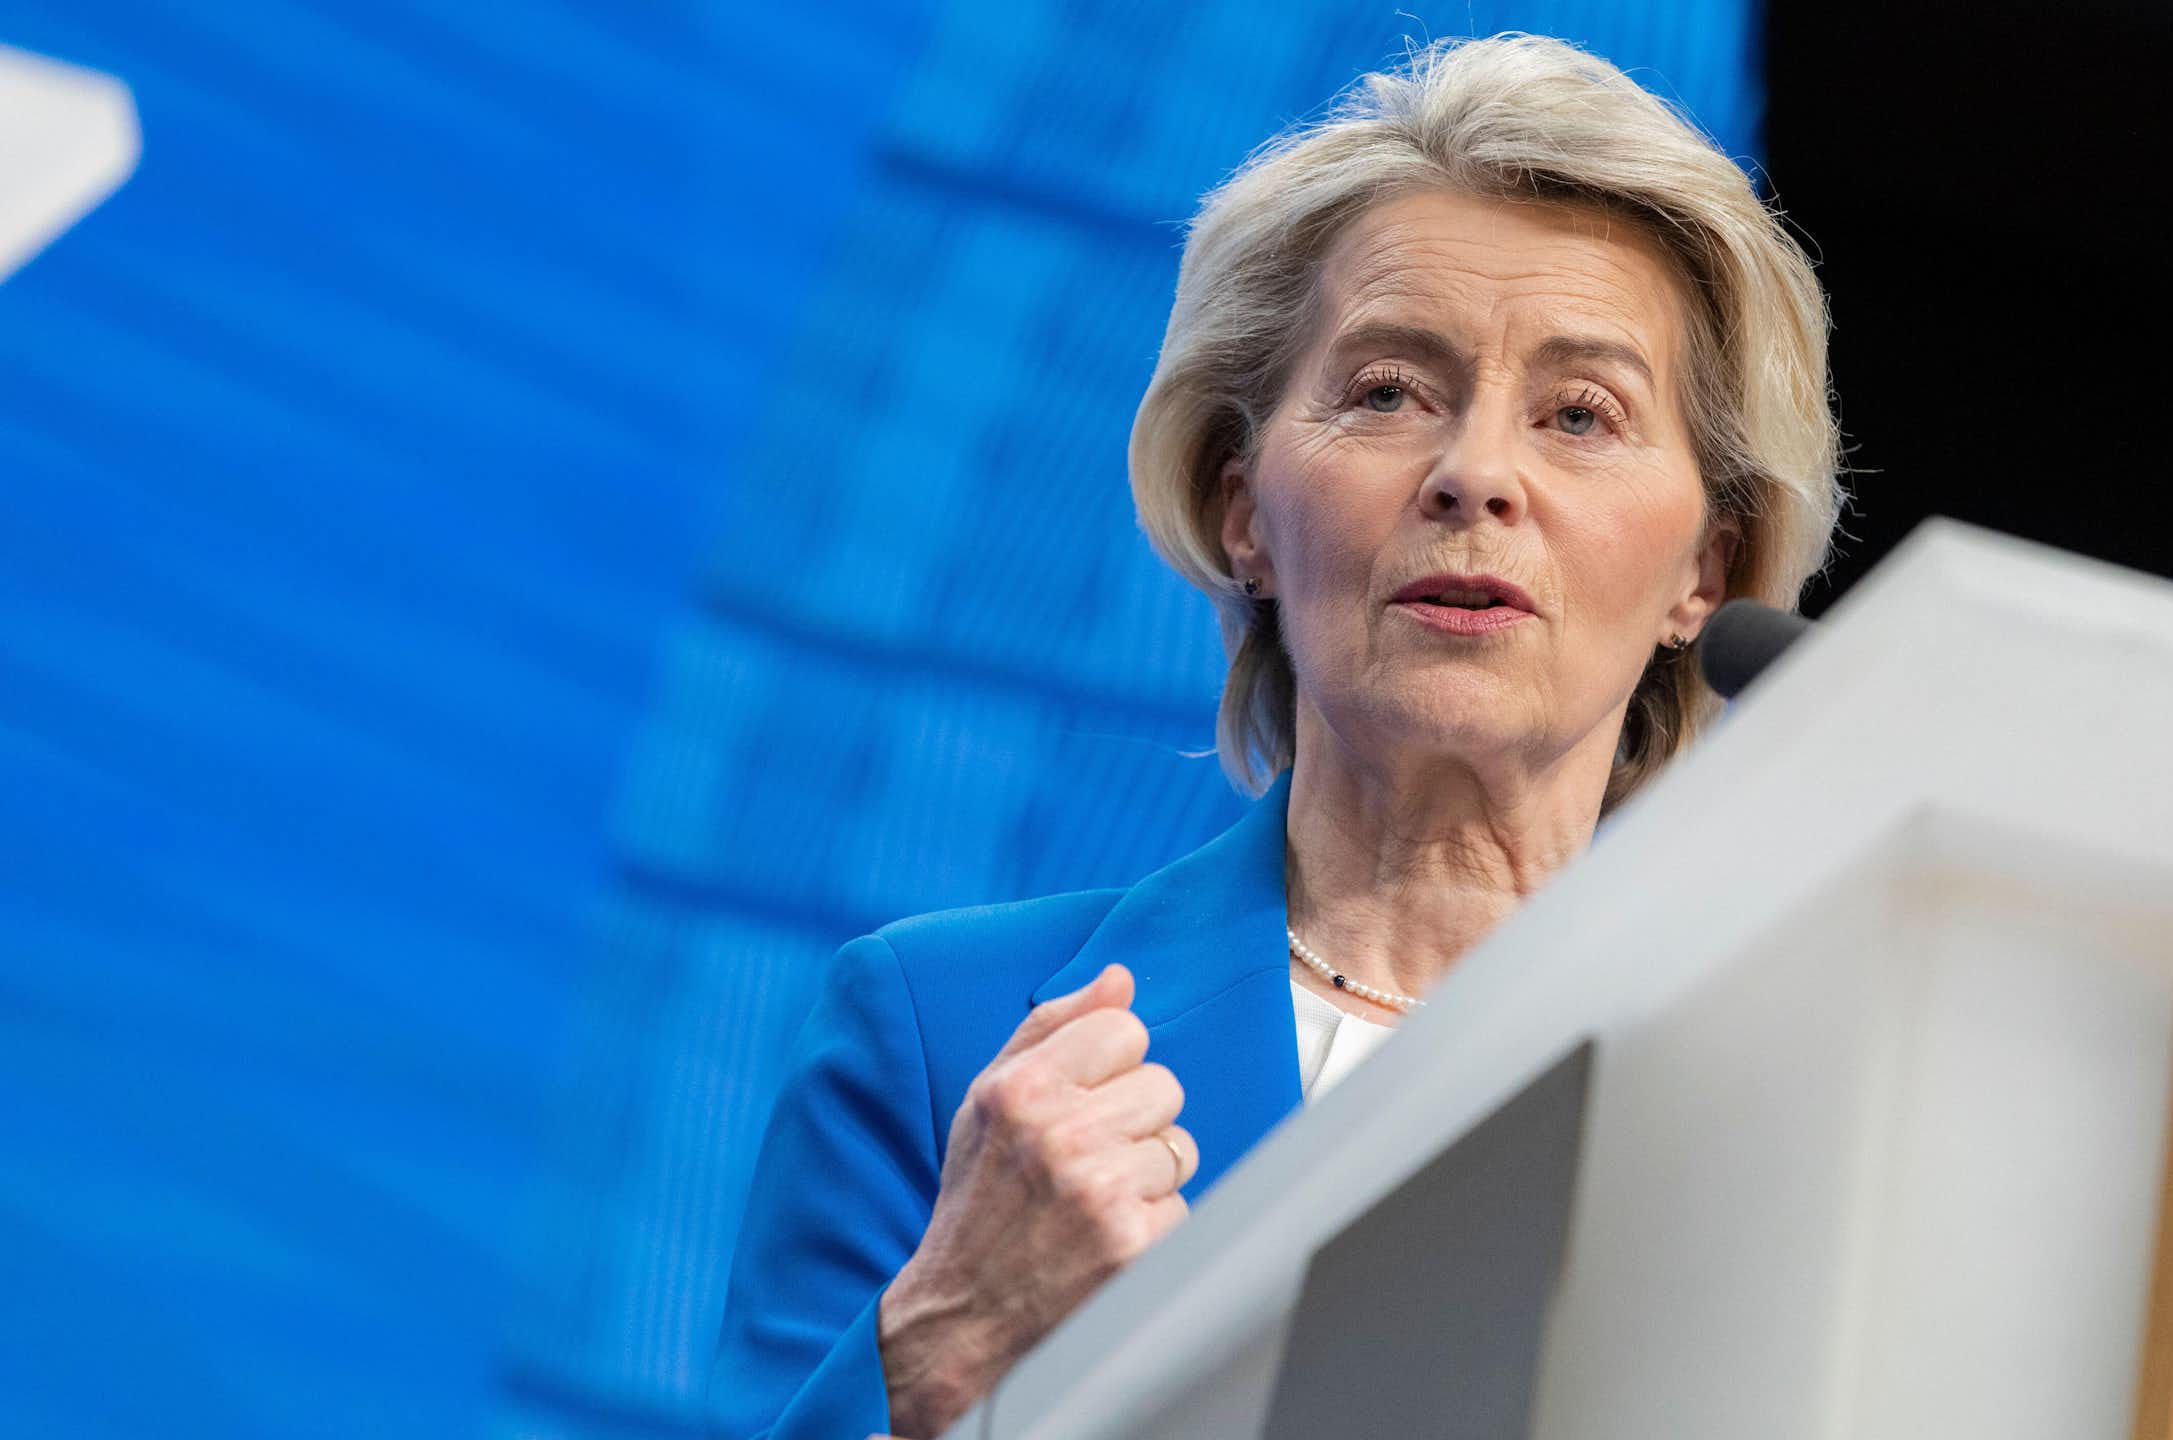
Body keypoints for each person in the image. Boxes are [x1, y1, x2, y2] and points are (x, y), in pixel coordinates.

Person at [708, 31, 1842, 1440]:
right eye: (1387, 393)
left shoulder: (1813, 1083)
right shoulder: (948, 1040)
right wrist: (952, 1339)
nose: (1476, 474)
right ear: (1244, 510)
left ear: (1706, 573)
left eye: (1580, 414)